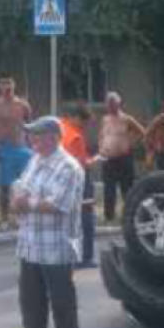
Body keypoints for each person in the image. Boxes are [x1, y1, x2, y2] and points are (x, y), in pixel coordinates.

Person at [10, 116, 84, 328]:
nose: (32, 139)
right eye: (31, 135)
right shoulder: (35, 159)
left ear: (53, 137)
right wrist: (17, 199)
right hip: (31, 241)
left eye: (37, 135)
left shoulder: (69, 166)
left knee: (61, 297)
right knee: (30, 295)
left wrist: (25, 203)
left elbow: (58, 204)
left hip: (56, 243)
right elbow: (21, 186)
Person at [0, 75, 33, 229]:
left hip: (21, 148)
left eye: (9, 86)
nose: (7, 89)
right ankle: (4, 219)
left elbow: (30, 126)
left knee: (25, 186)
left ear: (14, 87)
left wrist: (32, 147)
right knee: (4, 187)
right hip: (3, 149)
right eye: (4, 85)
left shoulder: (23, 105)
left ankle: (23, 217)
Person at [97, 92, 145, 222]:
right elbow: (101, 135)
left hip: (124, 158)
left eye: (113, 103)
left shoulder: (127, 119)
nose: (111, 106)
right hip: (108, 159)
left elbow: (142, 132)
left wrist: (130, 143)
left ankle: (131, 214)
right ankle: (109, 216)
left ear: (119, 104)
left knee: (127, 188)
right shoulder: (105, 119)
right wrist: (101, 148)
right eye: (108, 103)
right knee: (109, 189)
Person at [60, 103, 97, 269]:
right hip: (79, 181)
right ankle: (86, 257)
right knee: (86, 219)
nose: (86, 127)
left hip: (62, 180)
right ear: (77, 118)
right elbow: (81, 164)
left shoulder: (59, 128)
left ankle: (67, 256)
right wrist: (94, 160)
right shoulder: (75, 136)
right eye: (85, 123)